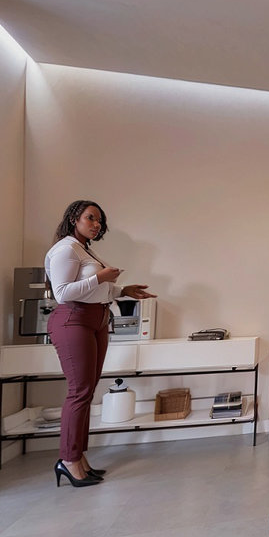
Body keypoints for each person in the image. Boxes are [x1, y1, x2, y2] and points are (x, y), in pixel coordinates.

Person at [45, 200, 156, 487]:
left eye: (99, 221)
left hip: (96, 319)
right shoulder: (66, 249)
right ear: (74, 218)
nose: (96, 225)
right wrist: (99, 277)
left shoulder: (84, 249)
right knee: (79, 391)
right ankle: (68, 460)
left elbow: (93, 290)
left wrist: (122, 290)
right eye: (90, 218)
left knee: (87, 390)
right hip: (74, 320)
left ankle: (78, 457)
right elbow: (62, 293)